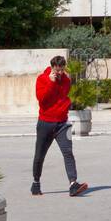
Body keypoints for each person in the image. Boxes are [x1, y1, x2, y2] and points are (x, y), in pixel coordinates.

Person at [32, 56, 87, 197]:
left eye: (62, 70)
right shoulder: (42, 79)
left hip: (62, 123)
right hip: (45, 123)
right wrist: (51, 83)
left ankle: (73, 184)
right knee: (40, 155)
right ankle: (36, 183)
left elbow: (63, 96)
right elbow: (42, 100)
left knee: (68, 152)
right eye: (57, 70)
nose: (60, 73)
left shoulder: (66, 80)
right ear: (52, 67)